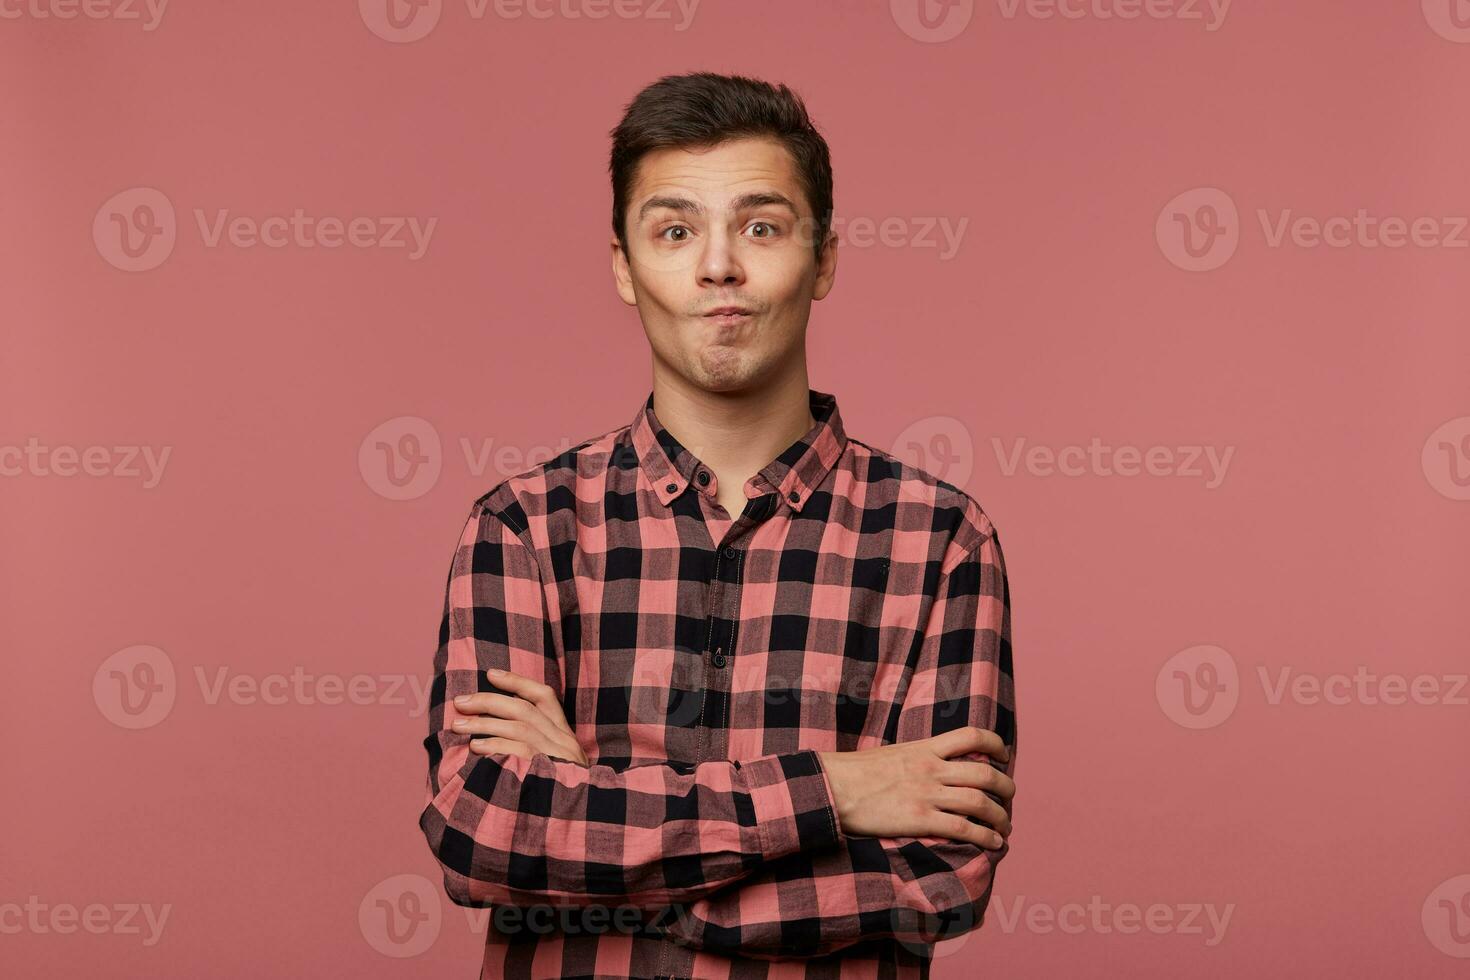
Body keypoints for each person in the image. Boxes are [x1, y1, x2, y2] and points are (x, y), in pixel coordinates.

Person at [419, 71, 1018, 980]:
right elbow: (483, 830)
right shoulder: (523, 530)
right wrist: (838, 791)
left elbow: (937, 879)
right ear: (624, 266)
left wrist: (589, 814)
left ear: (822, 259)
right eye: (673, 231)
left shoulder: (941, 542)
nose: (717, 267)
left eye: (761, 226)